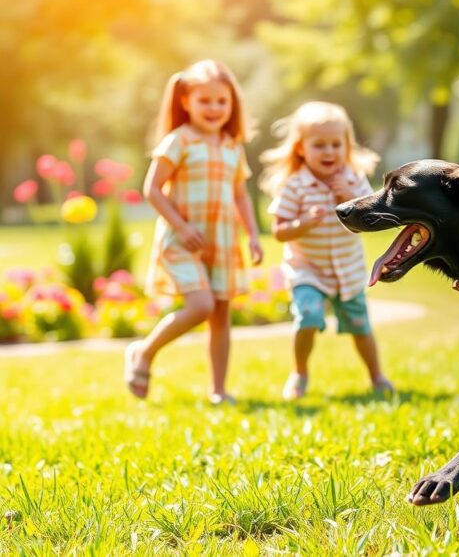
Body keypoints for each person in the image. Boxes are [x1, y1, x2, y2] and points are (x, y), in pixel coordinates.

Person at [124, 60, 263, 405]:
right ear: (186, 101)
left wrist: (254, 235)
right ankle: (144, 351)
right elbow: (152, 189)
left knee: (220, 315)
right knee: (200, 306)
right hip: (182, 239)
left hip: (222, 241)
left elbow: (241, 195)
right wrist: (181, 226)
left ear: (232, 104)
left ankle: (218, 389)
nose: (214, 108)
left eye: (222, 101)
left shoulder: (232, 145)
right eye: (205, 101)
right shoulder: (179, 141)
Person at [261, 101, 393, 401]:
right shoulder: (295, 186)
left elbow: (370, 223)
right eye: (319, 145)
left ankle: (376, 376)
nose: (329, 152)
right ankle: (299, 373)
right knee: (307, 316)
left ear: (347, 147)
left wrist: (353, 199)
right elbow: (279, 231)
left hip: (347, 270)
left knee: (361, 327)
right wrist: (303, 222)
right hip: (308, 270)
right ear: (300, 148)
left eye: (336, 144)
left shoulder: (354, 181)